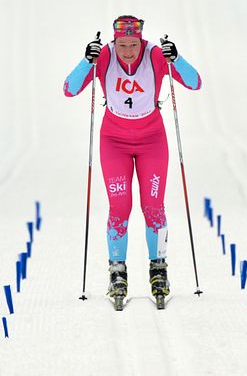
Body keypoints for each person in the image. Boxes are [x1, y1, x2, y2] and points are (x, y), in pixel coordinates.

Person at [63, 15, 202, 306]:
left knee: (153, 206)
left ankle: (158, 269)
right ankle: (117, 272)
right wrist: (85, 61)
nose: (128, 51)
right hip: (114, 142)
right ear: (114, 41)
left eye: (133, 44)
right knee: (120, 206)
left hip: (152, 140)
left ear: (142, 40)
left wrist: (176, 58)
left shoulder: (154, 55)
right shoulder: (103, 55)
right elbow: (70, 88)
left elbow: (194, 82)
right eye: (122, 44)